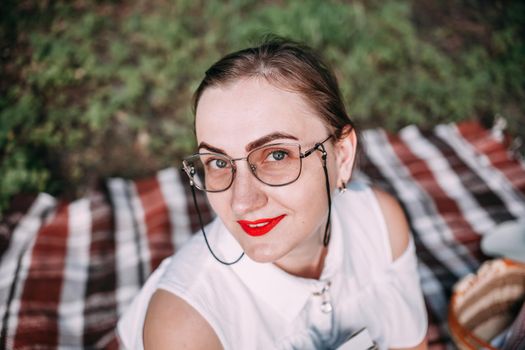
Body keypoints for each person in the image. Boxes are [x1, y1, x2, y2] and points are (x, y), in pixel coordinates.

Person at [117, 36, 428, 349]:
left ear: (342, 156)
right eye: (219, 162)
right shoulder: (186, 329)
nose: (241, 202)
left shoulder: (380, 224)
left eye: (276, 155)